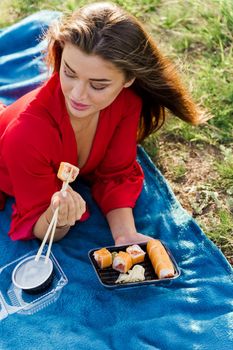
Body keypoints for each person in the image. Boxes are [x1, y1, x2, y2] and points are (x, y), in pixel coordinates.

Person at [0, 2, 207, 244]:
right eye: (69, 72)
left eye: (98, 85)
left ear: (128, 79)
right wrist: (61, 216)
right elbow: (40, 226)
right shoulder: (26, 135)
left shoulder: (125, 103)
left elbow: (115, 174)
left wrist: (125, 234)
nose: (77, 95)